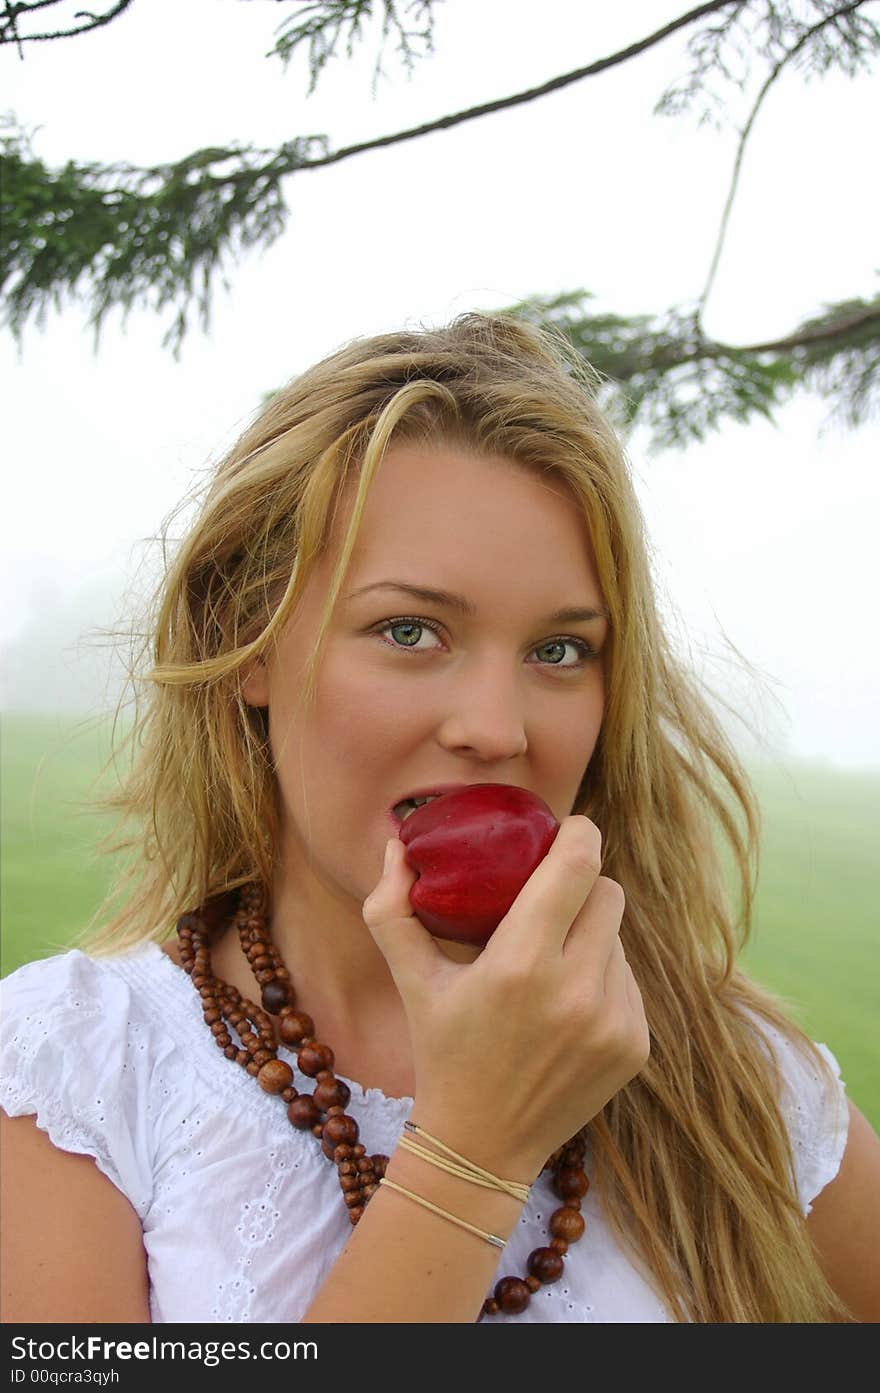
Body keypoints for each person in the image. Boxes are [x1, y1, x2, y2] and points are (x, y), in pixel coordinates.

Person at [1, 314, 878, 1325]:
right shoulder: (72, 1076)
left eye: (558, 651)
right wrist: (474, 1150)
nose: (497, 729)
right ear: (246, 639)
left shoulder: (731, 1080)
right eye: (409, 630)